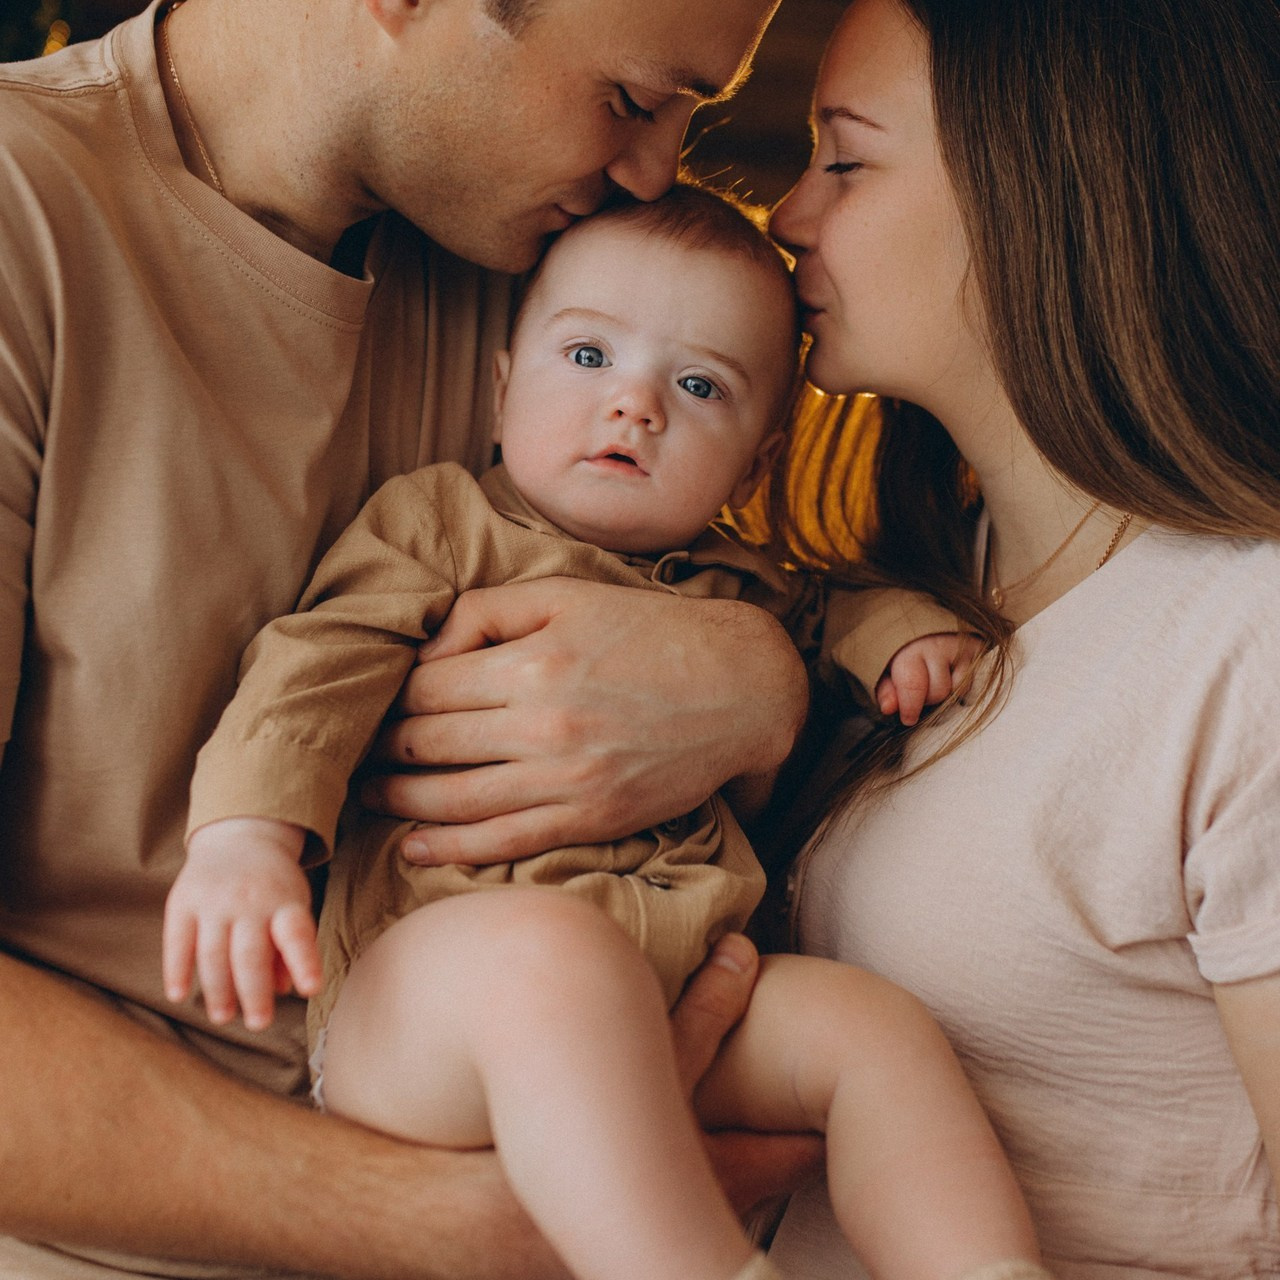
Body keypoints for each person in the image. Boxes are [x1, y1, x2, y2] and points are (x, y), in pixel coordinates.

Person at [0, 0, 835, 1276]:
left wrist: (758, 673)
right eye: (629, 97)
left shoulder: (542, 257)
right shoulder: (26, 216)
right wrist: (451, 1224)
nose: (656, 171)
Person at [163, 184, 1038, 1280]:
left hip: (677, 989)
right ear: (499, 388)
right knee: (549, 961)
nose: (635, 407)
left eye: (697, 383)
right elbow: (314, 661)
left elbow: (836, 616)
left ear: (755, 464)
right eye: (587, 359)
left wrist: (903, 636)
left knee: (872, 1030)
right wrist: (244, 837)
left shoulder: (748, 591)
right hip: (438, 1004)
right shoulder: (442, 525)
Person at [762, 0, 1280, 1274]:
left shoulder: (1246, 641)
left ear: (1037, 193)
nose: (785, 211)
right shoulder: (932, 579)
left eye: (844, 157)